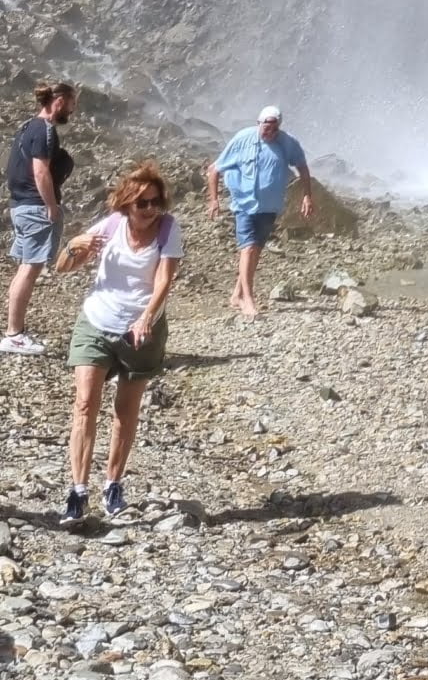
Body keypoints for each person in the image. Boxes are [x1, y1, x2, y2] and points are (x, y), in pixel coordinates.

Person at [52, 161, 183, 526]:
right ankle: (78, 492)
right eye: (143, 203)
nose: (151, 209)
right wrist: (74, 245)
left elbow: (163, 281)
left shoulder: (169, 229)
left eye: (156, 202)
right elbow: (63, 267)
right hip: (97, 320)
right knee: (84, 404)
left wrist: (145, 318)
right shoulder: (110, 226)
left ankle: (113, 484)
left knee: (125, 413)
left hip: (141, 330)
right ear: (127, 203)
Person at [206, 106, 313, 317]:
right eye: (267, 127)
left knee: (255, 250)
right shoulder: (242, 139)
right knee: (247, 248)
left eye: (275, 128)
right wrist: (214, 200)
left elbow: (302, 167)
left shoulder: (287, 143)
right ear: (258, 123)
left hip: (270, 207)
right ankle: (248, 300)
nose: (270, 132)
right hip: (244, 205)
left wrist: (307, 196)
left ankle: (236, 295)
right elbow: (214, 169)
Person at [5, 80, 77, 355]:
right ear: (59, 102)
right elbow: (40, 171)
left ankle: (15, 330)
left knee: (25, 267)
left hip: (20, 205)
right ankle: (14, 335)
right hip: (35, 208)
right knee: (30, 268)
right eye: (71, 107)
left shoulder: (26, 126)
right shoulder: (45, 131)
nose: (71, 113)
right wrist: (51, 207)